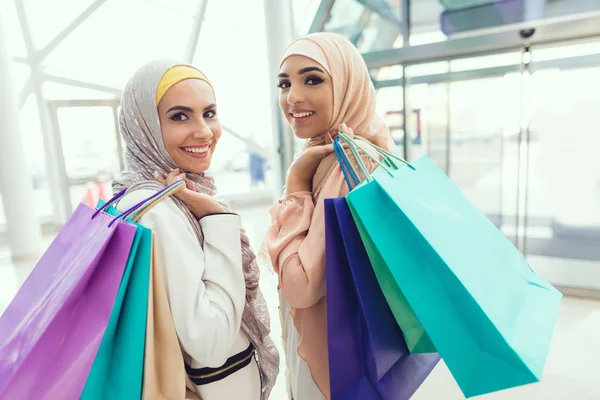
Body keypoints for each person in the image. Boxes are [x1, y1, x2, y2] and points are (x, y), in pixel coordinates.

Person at [114, 60, 279, 400]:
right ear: (144, 125)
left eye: (209, 113)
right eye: (179, 116)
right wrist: (217, 220)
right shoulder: (157, 210)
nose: (204, 131)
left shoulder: (149, 195)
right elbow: (211, 341)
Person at [265, 33, 396, 400]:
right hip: (351, 346)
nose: (293, 97)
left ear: (348, 84)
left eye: (313, 79)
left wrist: (295, 185)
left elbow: (300, 285)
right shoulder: (356, 152)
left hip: (333, 359)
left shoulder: (351, 163)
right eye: (284, 83)